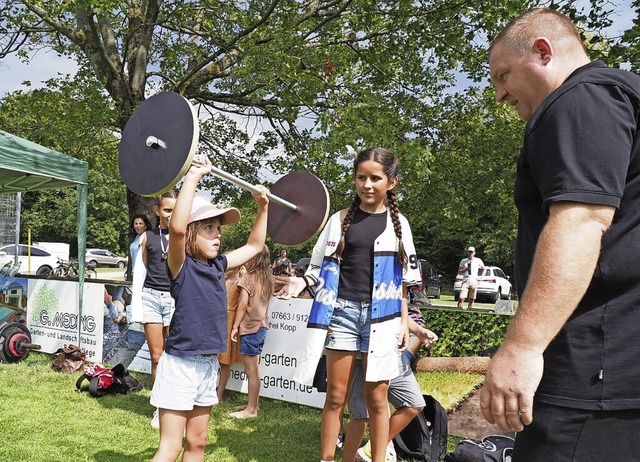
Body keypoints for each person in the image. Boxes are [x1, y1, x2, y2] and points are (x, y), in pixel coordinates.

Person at [480, 8, 640, 460]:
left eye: (503, 75)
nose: (499, 93)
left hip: (593, 377)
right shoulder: (624, 93)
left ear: (543, 52)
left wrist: (521, 349)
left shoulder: (579, 99)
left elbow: (581, 220)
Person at [275, 147, 422, 462]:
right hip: (340, 313)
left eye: (375, 178)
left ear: (391, 182)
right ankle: (327, 459)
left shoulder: (400, 225)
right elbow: (317, 266)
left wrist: (402, 321)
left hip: (382, 318)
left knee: (377, 398)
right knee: (336, 397)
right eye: (361, 177)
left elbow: (405, 281)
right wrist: (301, 282)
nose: (367, 185)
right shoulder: (338, 220)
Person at [150, 156, 268, 462]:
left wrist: (263, 207)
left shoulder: (219, 266)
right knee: (170, 447)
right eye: (208, 227)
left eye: (219, 228)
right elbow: (176, 229)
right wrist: (193, 176)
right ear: (192, 232)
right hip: (179, 367)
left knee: (198, 444)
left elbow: (255, 246)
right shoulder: (181, 266)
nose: (218, 234)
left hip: (207, 366)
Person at [343, 310, 438, 462]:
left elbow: (399, 306)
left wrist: (419, 331)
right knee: (361, 416)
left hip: (392, 350)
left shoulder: (400, 289)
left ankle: (371, 450)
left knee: (414, 403)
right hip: (363, 349)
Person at [139, 188, 178, 428]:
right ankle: (159, 408)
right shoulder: (148, 237)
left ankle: (175, 404)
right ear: (157, 210)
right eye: (166, 210)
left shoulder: (184, 235)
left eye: (175, 209)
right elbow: (145, 265)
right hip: (151, 296)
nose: (171, 214)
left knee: (175, 356)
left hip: (175, 298)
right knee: (156, 356)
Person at [229, 245, 275, 418]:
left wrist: (235, 327)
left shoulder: (248, 278)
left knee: (251, 370)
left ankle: (250, 410)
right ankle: (253, 405)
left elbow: (242, 304)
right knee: (254, 369)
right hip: (261, 327)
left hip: (249, 328)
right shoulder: (268, 278)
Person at [216, 265, 246, 403]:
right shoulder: (219, 278)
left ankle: (219, 394)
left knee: (224, 361)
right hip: (214, 319)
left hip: (229, 321)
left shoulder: (241, 280)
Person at [128, 213, 152, 280]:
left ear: (145, 225)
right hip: (135, 272)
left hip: (144, 273)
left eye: (140, 223)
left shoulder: (147, 237)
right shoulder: (135, 237)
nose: (138, 226)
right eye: (136, 224)